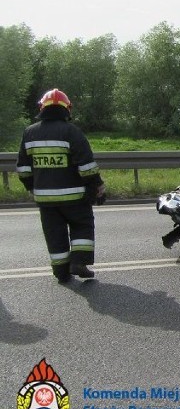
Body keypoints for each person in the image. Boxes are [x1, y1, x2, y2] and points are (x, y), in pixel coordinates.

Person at [16, 89, 106, 283]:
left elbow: (23, 169)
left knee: (54, 234)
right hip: (75, 197)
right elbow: (87, 166)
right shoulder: (71, 131)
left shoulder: (29, 133)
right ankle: (79, 262)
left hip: (45, 199)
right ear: (67, 109)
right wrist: (96, 186)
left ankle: (61, 273)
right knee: (82, 226)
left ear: (42, 108)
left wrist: (33, 186)